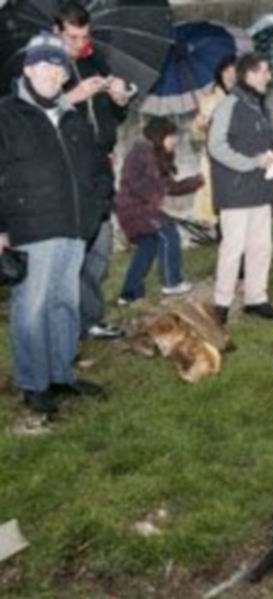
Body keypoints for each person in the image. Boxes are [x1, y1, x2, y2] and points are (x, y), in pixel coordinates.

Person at [0, 33, 112, 414]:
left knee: (65, 304)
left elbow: (98, 166)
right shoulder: (6, 114)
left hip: (75, 225)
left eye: (59, 66)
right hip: (29, 226)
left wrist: (96, 206)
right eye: (45, 64)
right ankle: (34, 383)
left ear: (66, 75)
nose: (52, 72)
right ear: (28, 69)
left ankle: (62, 374)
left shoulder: (72, 116)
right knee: (32, 307)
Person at [56, 1, 129, 341]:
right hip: (68, 171)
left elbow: (111, 119)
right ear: (57, 32)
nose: (78, 43)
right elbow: (35, 118)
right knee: (73, 253)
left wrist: (119, 99)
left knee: (100, 250)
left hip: (101, 164)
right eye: (72, 37)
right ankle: (73, 323)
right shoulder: (44, 66)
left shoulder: (93, 59)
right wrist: (72, 96)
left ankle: (91, 318)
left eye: (83, 36)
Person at [208, 53, 273, 324]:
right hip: (236, 191)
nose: (269, 77)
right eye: (265, 71)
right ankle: (221, 304)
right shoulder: (229, 105)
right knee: (232, 248)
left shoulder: (259, 105)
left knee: (260, 247)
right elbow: (215, 146)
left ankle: (256, 298)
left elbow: (267, 141)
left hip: (260, 190)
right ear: (250, 74)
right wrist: (252, 162)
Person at [115, 118, 204, 304]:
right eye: (172, 136)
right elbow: (135, 181)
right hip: (135, 208)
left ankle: (129, 294)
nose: (176, 141)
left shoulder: (155, 156)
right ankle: (172, 283)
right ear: (160, 136)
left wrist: (195, 182)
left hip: (137, 209)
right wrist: (155, 195)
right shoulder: (142, 151)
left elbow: (169, 187)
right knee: (168, 233)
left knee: (148, 247)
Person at [191, 55, 236, 226]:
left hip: (241, 162)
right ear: (220, 74)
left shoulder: (247, 100)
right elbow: (196, 137)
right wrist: (199, 126)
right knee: (221, 212)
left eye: (235, 71)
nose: (231, 75)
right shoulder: (208, 102)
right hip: (216, 163)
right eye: (227, 71)